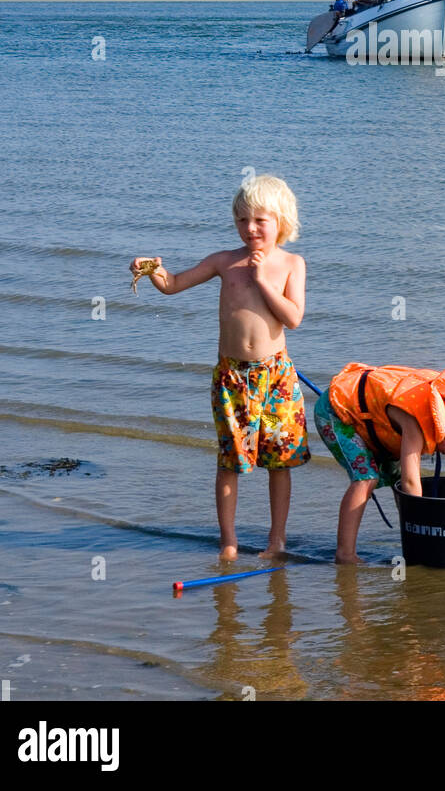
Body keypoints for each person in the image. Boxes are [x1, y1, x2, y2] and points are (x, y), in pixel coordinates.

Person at [129, 175, 310, 561]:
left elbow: (293, 318)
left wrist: (263, 281)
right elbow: (174, 284)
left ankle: (276, 540)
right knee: (230, 460)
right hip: (232, 377)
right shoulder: (223, 262)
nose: (250, 228)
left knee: (280, 460)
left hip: (276, 375)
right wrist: (152, 270)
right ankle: (228, 540)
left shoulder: (291, 263)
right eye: (243, 220)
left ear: (281, 220)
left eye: (260, 220)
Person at [314, 356, 445, 563]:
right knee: (366, 477)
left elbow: (405, 481)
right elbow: (411, 483)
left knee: (397, 477)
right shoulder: (417, 419)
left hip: (374, 423)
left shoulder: (444, 408)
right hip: (335, 412)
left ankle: (413, 541)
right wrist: (429, 529)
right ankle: (345, 554)